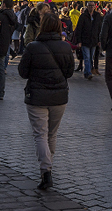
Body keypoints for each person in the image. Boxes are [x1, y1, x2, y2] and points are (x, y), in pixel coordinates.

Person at [17, 13, 74, 190]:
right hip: (59, 97)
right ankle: (49, 166)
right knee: (52, 134)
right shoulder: (65, 47)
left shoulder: (33, 47)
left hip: (37, 97)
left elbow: (23, 72)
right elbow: (69, 72)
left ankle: (45, 171)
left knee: (40, 135)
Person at [72, 3, 102, 80]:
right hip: (85, 40)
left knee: (91, 57)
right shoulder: (83, 16)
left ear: (95, 7)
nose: (91, 7)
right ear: (87, 7)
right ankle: (88, 73)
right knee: (87, 57)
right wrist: (79, 41)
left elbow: (99, 28)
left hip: (94, 40)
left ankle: (87, 71)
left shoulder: (97, 16)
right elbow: (79, 29)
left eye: (92, 6)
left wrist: (99, 40)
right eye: (89, 6)